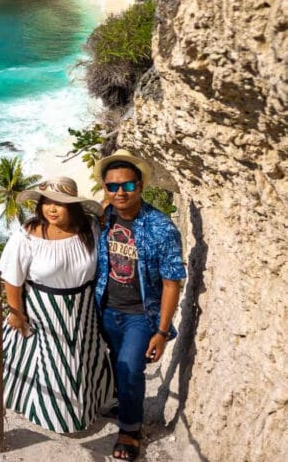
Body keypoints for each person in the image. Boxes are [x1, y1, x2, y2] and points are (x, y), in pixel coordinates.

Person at [0, 177, 114, 433]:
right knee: (55, 365)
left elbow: (109, 212)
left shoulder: (90, 229)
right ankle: (56, 418)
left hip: (84, 309)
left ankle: (86, 409)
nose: (51, 209)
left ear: (72, 207)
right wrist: (16, 313)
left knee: (85, 360)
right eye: (47, 203)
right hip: (45, 310)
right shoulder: (27, 237)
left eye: (59, 204)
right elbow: (12, 278)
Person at [94, 149, 186, 461]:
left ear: (141, 186)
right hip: (104, 307)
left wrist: (161, 331)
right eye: (113, 187)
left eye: (128, 186)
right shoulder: (103, 218)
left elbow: (173, 282)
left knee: (131, 365)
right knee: (115, 360)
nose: (121, 192)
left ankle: (130, 430)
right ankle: (123, 402)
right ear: (105, 189)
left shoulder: (161, 227)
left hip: (139, 313)